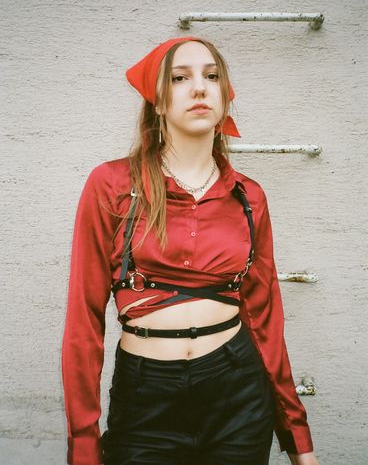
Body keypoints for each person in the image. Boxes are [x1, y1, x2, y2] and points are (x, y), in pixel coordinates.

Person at [62, 36, 319, 465]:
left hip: (238, 393)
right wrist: (84, 449)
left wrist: (298, 439)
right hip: (147, 400)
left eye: (211, 76)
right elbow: (82, 325)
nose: (199, 87)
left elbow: (266, 320)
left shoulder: (249, 197)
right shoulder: (112, 186)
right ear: (158, 102)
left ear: (223, 96)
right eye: (180, 78)